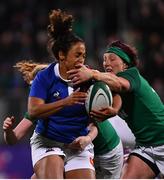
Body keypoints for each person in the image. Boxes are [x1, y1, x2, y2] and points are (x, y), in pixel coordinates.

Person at [67, 40, 164, 178]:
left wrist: (94, 74)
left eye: (112, 59)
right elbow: (117, 96)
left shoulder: (132, 74)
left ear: (125, 64)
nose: (107, 63)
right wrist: (114, 110)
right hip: (145, 147)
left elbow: (120, 85)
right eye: (104, 60)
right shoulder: (108, 86)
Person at [22, 9, 97, 179]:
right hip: (48, 142)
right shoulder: (45, 77)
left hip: (77, 145)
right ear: (62, 55)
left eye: (84, 56)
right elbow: (34, 111)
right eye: (77, 55)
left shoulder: (89, 77)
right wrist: (65, 102)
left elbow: (96, 120)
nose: (82, 60)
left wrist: (112, 109)